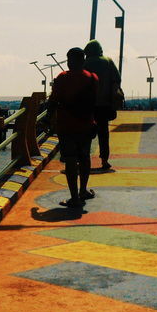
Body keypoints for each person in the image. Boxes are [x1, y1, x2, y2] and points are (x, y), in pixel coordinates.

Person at [49, 47, 98, 207]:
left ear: (70, 61)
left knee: (70, 160)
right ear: (83, 61)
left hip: (66, 125)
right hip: (86, 124)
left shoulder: (62, 78)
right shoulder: (92, 78)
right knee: (84, 158)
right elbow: (95, 103)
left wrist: (48, 120)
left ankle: (74, 198)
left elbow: (53, 101)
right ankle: (83, 190)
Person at [84, 39, 121, 171]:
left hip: (88, 105)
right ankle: (104, 160)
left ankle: (83, 160)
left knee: (85, 134)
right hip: (105, 104)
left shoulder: (85, 63)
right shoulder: (108, 61)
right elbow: (117, 80)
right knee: (103, 134)